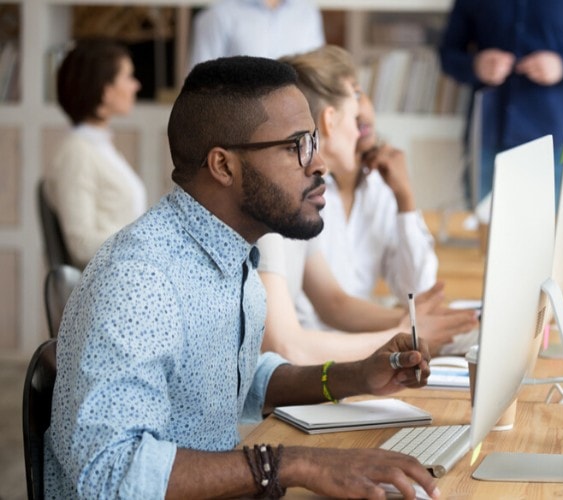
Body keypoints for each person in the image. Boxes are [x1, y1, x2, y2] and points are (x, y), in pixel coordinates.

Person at [45, 56, 440, 499]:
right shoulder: (141, 280)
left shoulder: (234, 258)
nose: (319, 164)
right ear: (223, 166)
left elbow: (240, 378)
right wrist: (293, 463)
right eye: (297, 147)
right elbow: (107, 473)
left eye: (313, 141)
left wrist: (355, 376)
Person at [257, 46, 478, 364]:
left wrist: (419, 328)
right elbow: (287, 347)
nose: (362, 119)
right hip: (298, 375)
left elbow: (335, 303)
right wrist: (405, 334)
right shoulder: (275, 204)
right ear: (330, 121)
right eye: (355, 99)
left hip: (321, 363)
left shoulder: (299, 199)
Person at [285, 45, 439, 329]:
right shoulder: (299, 191)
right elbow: (332, 307)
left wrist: (405, 198)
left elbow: (418, 292)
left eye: (359, 93)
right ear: (328, 118)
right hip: (316, 353)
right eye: (350, 98)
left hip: (363, 342)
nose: (359, 113)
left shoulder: (382, 183)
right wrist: (415, 324)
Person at [438, 0, 563, 205]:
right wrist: (476, 65)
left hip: (551, 139)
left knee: (550, 231)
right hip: (488, 132)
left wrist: (562, 66)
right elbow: (447, 54)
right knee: (486, 229)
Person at [43, 39, 147, 269]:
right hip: (107, 293)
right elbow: (80, 244)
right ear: (106, 91)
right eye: (128, 77)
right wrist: (146, 241)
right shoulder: (77, 153)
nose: (136, 85)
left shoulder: (98, 147)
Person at [187, 0, 324, 70]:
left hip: (296, 119)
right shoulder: (218, 14)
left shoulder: (308, 14)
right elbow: (199, 85)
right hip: (238, 119)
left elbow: (317, 72)